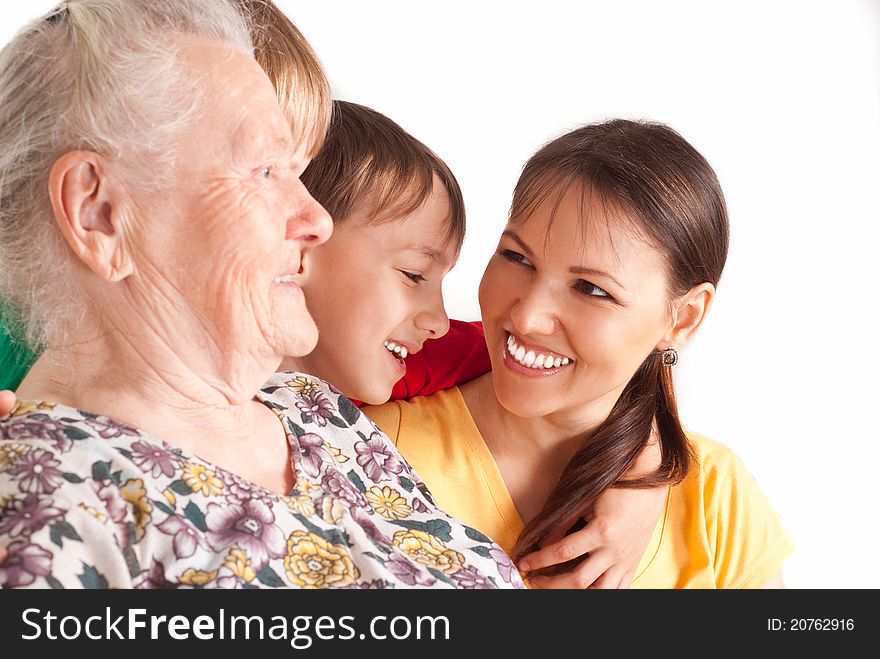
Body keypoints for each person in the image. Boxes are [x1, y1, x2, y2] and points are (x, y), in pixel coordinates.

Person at [0, 0, 521, 589]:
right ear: (98, 214)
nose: (317, 219)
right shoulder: (48, 513)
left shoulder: (319, 413)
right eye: (264, 170)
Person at [367, 119, 795, 588]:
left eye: (591, 288)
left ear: (684, 318)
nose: (528, 317)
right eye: (518, 257)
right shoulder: (368, 451)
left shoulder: (716, 497)